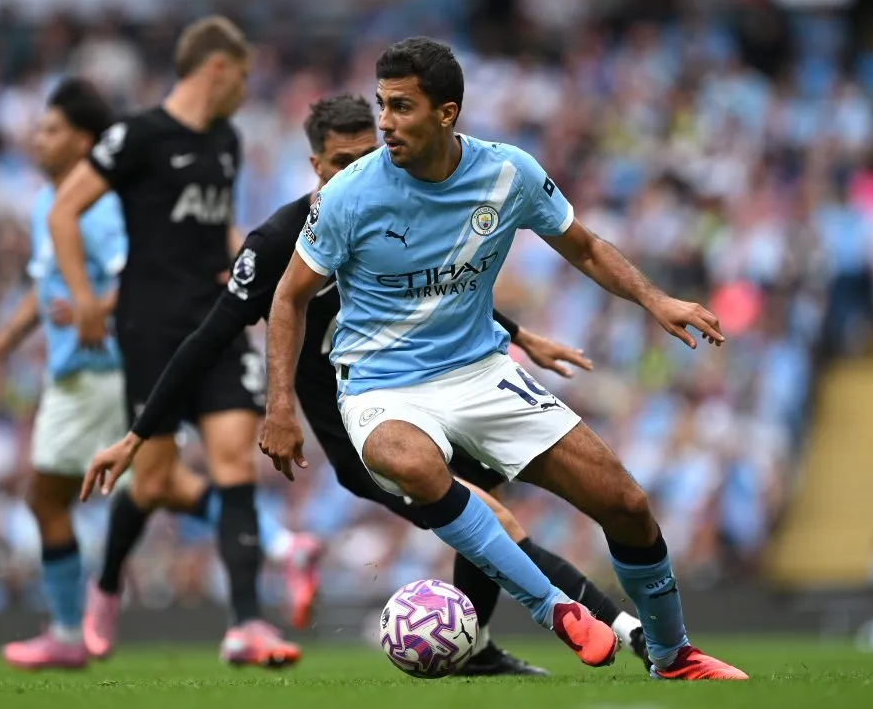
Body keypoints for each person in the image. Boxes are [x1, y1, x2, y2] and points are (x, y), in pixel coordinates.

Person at [83, 94, 652, 676]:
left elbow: (431, 295)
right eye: (339, 162)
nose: (354, 172)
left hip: (428, 402)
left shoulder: (387, 210)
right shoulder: (279, 242)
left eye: (365, 155)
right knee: (497, 525)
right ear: (315, 166)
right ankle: (626, 631)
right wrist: (138, 434)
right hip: (363, 433)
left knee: (486, 524)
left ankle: (476, 650)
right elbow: (208, 338)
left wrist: (522, 335)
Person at [258, 38, 749, 680]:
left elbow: (585, 247)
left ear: (446, 113)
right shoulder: (349, 195)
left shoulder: (506, 174)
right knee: (407, 460)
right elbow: (289, 298)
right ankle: (554, 610)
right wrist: (279, 408)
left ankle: (672, 655)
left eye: (401, 106)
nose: (384, 121)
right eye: (381, 104)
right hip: (382, 385)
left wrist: (655, 299)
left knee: (625, 502)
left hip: (482, 375)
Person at [48, 15, 304, 667]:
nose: (246, 90)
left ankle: (247, 622)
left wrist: (250, 264)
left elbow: (217, 225)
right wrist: (83, 300)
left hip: (215, 320)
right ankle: (105, 585)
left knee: (231, 462)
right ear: (215, 67)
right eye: (242, 76)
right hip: (148, 327)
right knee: (156, 480)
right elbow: (63, 211)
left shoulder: (226, 140)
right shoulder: (137, 136)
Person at [0, 79, 124, 670]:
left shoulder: (97, 204)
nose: (36, 138)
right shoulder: (50, 202)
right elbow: (40, 291)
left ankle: (69, 634)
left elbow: (141, 275)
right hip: (83, 370)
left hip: (102, 368)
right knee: (147, 488)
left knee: (50, 497)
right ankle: (280, 546)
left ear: (83, 141)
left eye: (50, 130)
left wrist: (94, 307)